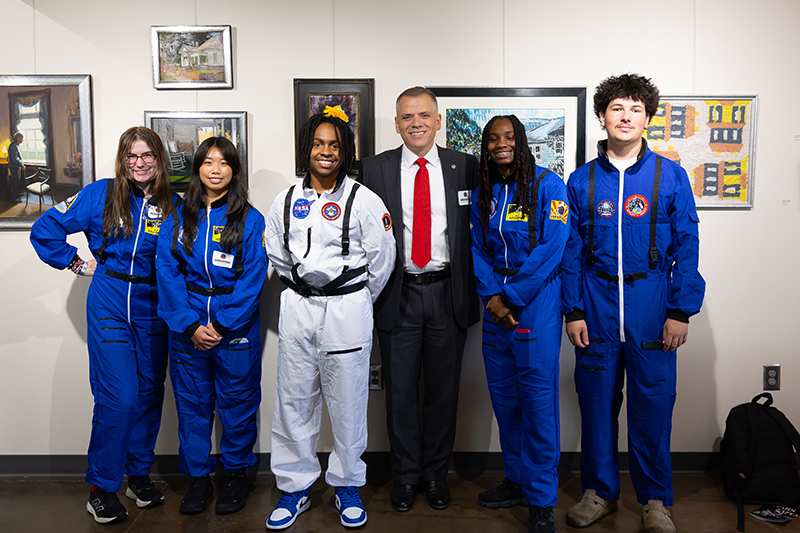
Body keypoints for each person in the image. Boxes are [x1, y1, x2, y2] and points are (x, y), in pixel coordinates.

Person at [560, 74, 706, 533]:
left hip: (652, 308)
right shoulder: (581, 179)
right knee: (597, 406)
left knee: (653, 408)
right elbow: (569, 249)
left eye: (636, 109)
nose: (626, 117)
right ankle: (599, 493)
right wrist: (574, 310)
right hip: (597, 309)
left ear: (647, 117)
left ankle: (655, 500)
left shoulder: (670, 175)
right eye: (617, 108)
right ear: (602, 116)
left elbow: (687, 243)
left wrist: (680, 310)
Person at [30, 126, 177, 524]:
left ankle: (137, 474)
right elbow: (44, 229)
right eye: (132, 156)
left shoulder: (174, 204)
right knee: (120, 397)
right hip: (110, 302)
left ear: (159, 159)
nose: (140, 163)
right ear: (122, 160)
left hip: (153, 307)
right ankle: (101, 486)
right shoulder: (100, 194)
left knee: (148, 394)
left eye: (147, 155)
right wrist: (76, 262)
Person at [265, 112, 395, 530]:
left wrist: (352, 298)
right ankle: (294, 487)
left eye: (335, 145)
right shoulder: (285, 199)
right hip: (299, 307)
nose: (326, 152)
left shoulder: (364, 200)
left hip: (347, 309)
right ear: (307, 148)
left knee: (348, 402)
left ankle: (347, 485)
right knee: (293, 401)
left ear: (345, 152)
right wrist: (309, 290)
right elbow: (278, 255)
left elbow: (382, 259)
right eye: (319, 144)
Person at [360, 86, 479, 512]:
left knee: (443, 394)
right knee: (400, 394)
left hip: (449, 294)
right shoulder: (373, 170)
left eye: (424, 115)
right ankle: (406, 477)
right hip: (398, 294)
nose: (416, 123)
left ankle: (435, 475)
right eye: (407, 116)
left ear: (437, 120)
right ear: (396, 124)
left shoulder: (465, 167)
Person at [155, 137, 267, 516]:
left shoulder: (250, 219)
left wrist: (220, 322)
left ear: (234, 170)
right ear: (197, 168)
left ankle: (235, 475)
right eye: (208, 162)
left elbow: (254, 277)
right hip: (187, 325)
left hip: (233, 329)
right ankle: (198, 479)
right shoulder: (177, 217)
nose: (215, 169)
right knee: (192, 406)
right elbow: (166, 272)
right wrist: (189, 325)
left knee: (237, 403)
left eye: (223, 162)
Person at [470, 115, 569, 533]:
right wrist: (493, 295)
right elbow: (476, 245)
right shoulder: (484, 192)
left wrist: (512, 296)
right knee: (506, 403)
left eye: (509, 137)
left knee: (538, 404)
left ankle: (542, 499)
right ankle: (515, 480)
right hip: (495, 306)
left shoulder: (549, 186)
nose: (501, 144)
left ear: (522, 142)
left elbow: (553, 246)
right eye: (493, 139)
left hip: (535, 302)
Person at [8, 132, 25, 201]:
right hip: (14, 167)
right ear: (18, 138)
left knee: (17, 182)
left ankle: (17, 194)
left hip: (15, 167)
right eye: (21, 138)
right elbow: (15, 158)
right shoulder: (13, 146)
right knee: (15, 182)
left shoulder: (15, 145)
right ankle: (14, 198)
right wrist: (22, 165)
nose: (22, 140)